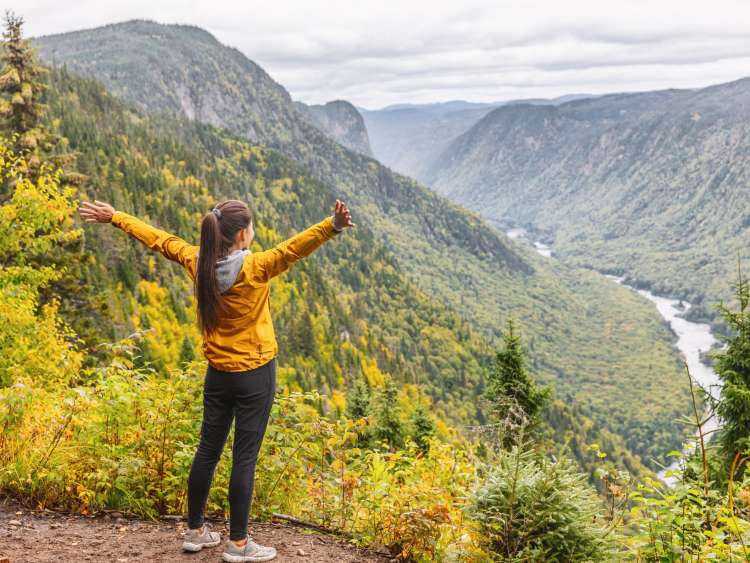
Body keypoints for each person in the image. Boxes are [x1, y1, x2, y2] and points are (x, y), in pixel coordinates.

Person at [78, 198, 354, 562]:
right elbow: (294, 249)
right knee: (244, 457)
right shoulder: (256, 267)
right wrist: (331, 225)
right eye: (251, 227)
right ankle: (238, 544)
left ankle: (195, 531)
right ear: (242, 234)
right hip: (255, 374)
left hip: (218, 374)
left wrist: (116, 218)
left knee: (207, 450)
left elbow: (160, 240)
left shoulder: (198, 262)